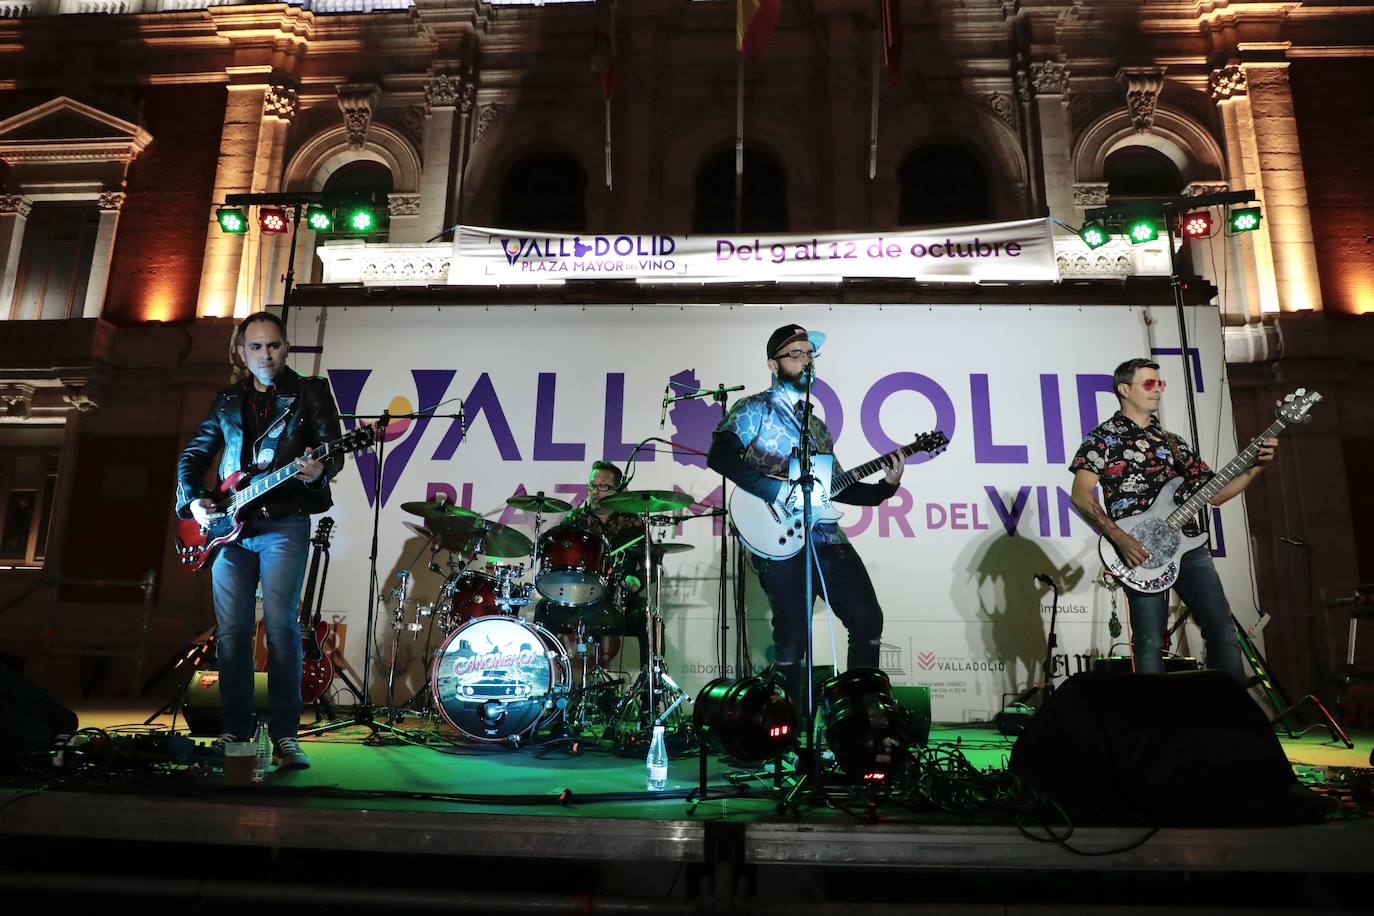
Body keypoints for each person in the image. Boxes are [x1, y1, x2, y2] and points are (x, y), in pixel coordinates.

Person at [176, 311, 343, 769]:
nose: (265, 355)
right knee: (231, 633)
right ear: (241, 351)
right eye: (255, 347)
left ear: (286, 347)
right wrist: (192, 502)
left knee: (282, 626)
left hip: (283, 524)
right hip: (230, 529)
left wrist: (319, 471)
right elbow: (194, 456)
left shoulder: (310, 392)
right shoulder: (228, 399)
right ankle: (237, 729)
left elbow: (333, 450)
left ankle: (287, 734)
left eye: (273, 346)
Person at [708, 324, 904, 712]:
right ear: (773, 364)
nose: (805, 361)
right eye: (795, 354)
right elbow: (721, 456)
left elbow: (838, 487)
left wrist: (887, 486)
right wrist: (777, 490)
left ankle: (857, 716)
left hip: (827, 539)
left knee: (868, 620)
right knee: (793, 640)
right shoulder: (754, 409)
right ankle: (787, 734)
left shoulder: (817, 426)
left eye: (809, 354)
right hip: (778, 539)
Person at [1069, 357, 1277, 684]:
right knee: (1149, 641)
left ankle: (1232, 716)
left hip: (1188, 546)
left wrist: (1255, 468)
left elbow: (1216, 494)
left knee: (1221, 630)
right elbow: (1081, 495)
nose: (1158, 390)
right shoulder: (1102, 439)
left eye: (1160, 384)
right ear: (1124, 389)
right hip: (1139, 550)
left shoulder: (1173, 442)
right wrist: (1121, 539)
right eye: (1149, 384)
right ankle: (1154, 724)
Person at [534, 460, 649, 663]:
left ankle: (650, 688)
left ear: (617, 489)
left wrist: (638, 580)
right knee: (544, 608)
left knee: (648, 619)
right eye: (592, 485)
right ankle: (548, 674)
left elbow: (653, 564)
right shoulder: (575, 519)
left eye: (603, 486)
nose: (595, 492)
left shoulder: (633, 523)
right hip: (581, 596)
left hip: (620, 599)